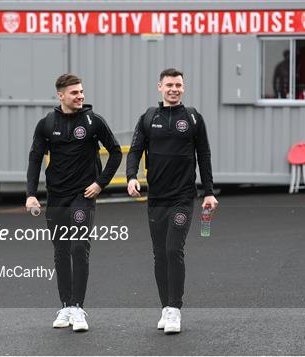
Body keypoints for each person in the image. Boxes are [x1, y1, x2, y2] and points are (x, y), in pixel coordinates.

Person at [26, 74, 122, 332]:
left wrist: (100, 183)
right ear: (60, 95)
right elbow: (35, 158)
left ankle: (78, 308)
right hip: (56, 197)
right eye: (74, 93)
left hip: (83, 197)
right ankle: (66, 306)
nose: (80, 96)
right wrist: (31, 193)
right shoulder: (46, 124)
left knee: (79, 248)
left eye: (81, 91)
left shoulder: (93, 121)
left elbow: (115, 151)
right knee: (60, 251)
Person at [126, 68, 218, 334]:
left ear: (183, 88)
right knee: (159, 254)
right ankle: (165, 307)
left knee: (173, 249)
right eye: (169, 85)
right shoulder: (148, 118)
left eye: (178, 85)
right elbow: (134, 151)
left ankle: (175, 309)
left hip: (183, 197)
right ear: (160, 87)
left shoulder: (192, 118)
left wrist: (209, 191)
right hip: (157, 198)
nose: (174, 89)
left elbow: (204, 155)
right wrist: (132, 177)